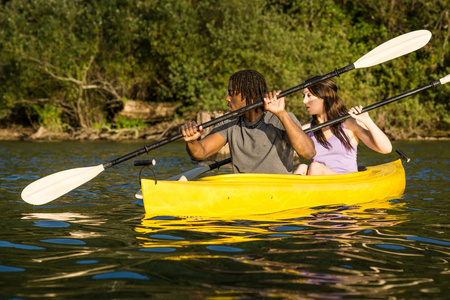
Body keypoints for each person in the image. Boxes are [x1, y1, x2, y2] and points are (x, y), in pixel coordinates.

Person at [180, 70, 316, 174]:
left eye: (231, 93)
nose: (227, 98)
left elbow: (308, 153)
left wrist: (282, 114)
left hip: (278, 192)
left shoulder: (280, 119)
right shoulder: (229, 122)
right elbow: (200, 152)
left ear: (249, 96)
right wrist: (192, 141)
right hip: (244, 193)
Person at [294, 78, 392, 175]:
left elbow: (386, 149)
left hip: (347, 183)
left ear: (324, 97)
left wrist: (368, 121)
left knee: (315, 167)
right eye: (304, 96)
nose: (304, 101)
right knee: (302, 167)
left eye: (309, 95)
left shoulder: (349, 123)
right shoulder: (306, 129)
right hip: (319, 181)